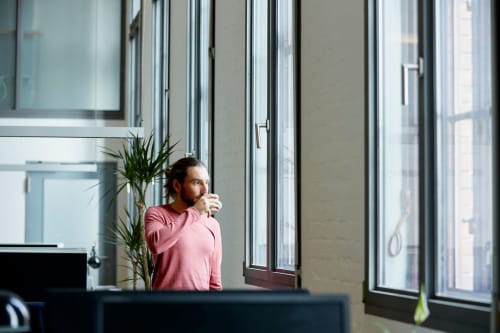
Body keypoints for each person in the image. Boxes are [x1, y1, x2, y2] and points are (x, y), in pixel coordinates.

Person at [144, 157, 223, 291]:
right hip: (166, 307)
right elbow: (155, 244)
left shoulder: (212, 224)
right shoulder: (157, 214)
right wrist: (195, 212)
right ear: (177, 185)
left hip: (201, 309)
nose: (204, 190)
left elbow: (214, 281)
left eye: (206, 183)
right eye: (197, 183)